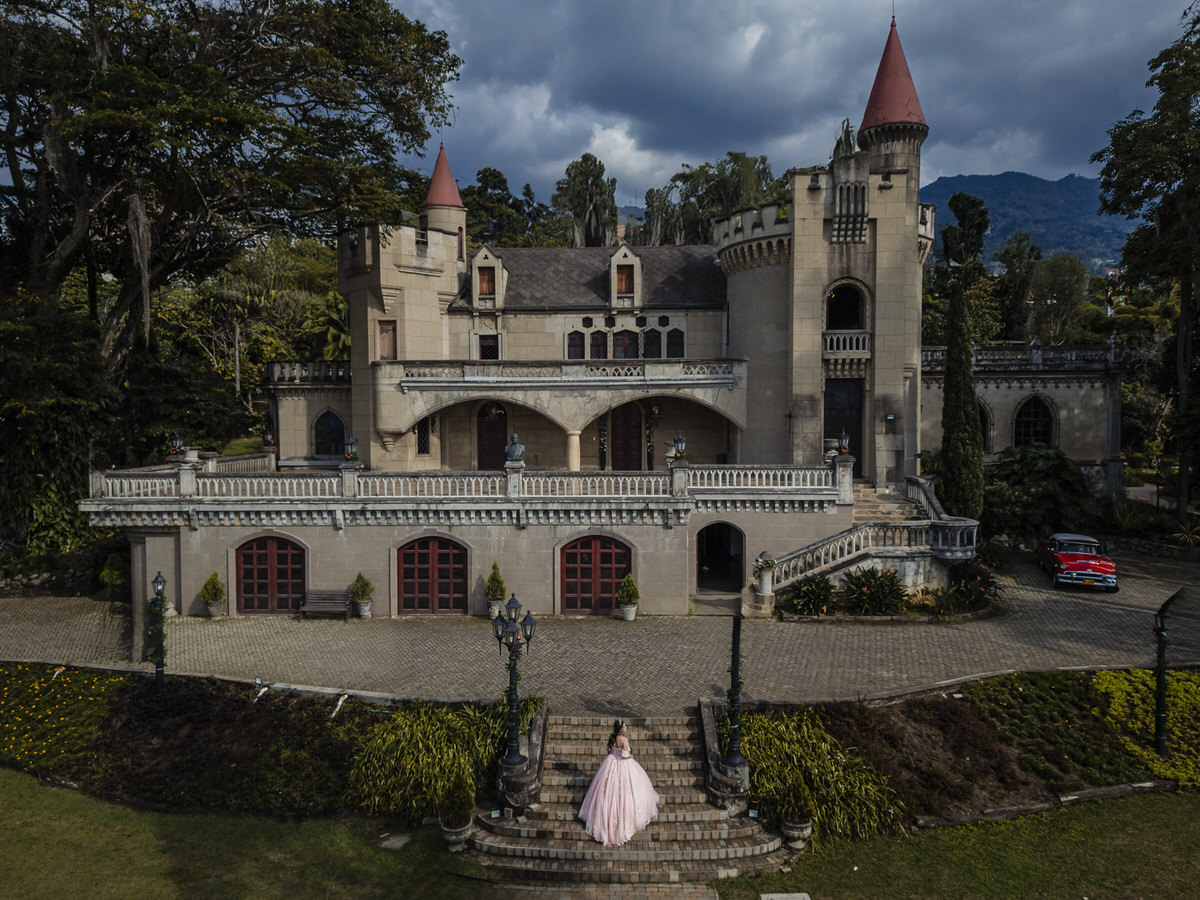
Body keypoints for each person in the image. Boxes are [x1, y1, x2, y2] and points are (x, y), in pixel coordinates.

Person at [578, 719, 660, 846]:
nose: (626, 727)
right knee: (628, 791)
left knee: (607, 791)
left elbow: (612, 751)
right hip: (622, 764)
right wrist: (631, 757)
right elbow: (625, 754)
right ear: (621, 728)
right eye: (625, 726)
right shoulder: (624, 740)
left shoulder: (613, 739)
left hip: (611, 763)